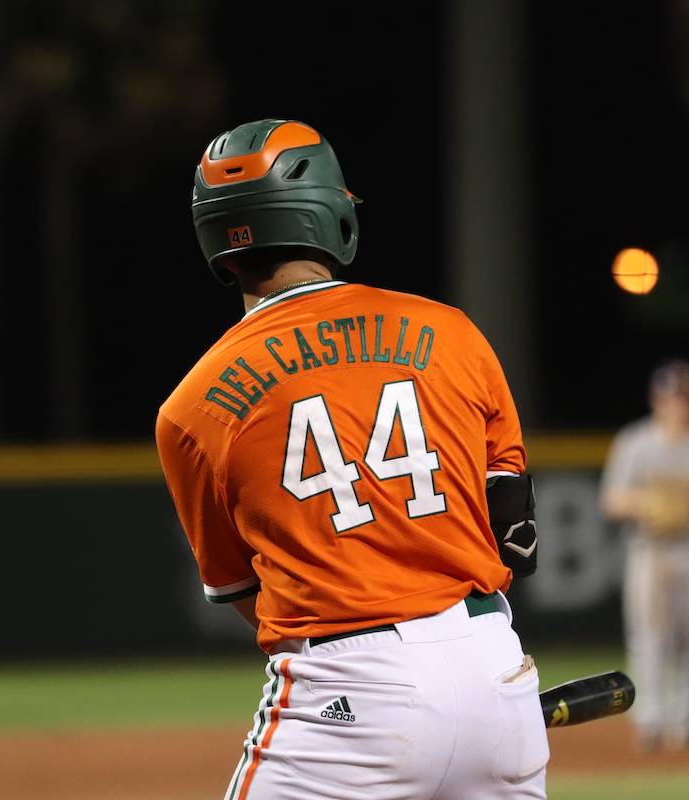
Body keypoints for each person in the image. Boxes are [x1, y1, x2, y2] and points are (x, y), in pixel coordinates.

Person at [156, 119, 548, 800]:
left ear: (215, 242)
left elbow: (245, 595)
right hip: (494, 667)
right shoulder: (452, 332)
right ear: (333, 215)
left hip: (345, 692)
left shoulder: (190, 410)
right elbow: (514, 532)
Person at [600, 358, 689, 753]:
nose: (680, 404)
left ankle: (687, 722)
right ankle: (649, 722)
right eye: (672, 397)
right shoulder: (636, 442)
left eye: (686, 396)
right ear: (656, 400)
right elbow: (612, 500)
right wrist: (648, 504)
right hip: (650, 551)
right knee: (649, 635)